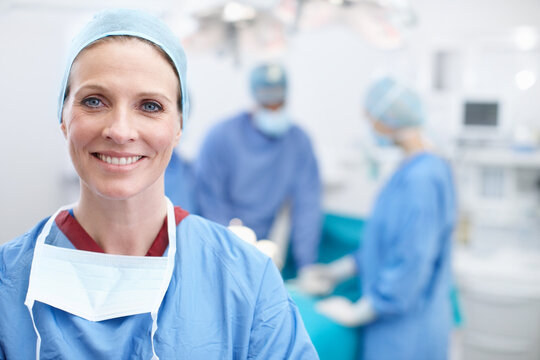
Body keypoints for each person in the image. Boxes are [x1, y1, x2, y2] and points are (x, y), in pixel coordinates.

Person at [0, 9, 318, 359]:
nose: (120, 131)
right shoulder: (8, 279)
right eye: (94, 101)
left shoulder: (247, 280)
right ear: (63, 116)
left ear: (180, 125)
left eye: (150, 106)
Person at [298, 77, 457, 360]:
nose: (370, 128)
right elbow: (386, 246)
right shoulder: (411, 169)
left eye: (372, 119)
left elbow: (411, 262)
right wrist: (335, 271)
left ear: (390, 120)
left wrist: (360, 311)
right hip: (396, 329)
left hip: (406, 337)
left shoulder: (422, 179)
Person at [194, 63, 322, 273]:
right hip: (222, 244)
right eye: (266, 105)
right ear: (254, 100)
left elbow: (307, 207)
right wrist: (233, 245)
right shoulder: (221, 137)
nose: (273, 110)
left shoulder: (298, 142)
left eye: (278, 104)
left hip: (265, 247)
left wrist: (307, 264)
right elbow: (210, 201)